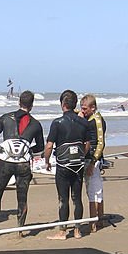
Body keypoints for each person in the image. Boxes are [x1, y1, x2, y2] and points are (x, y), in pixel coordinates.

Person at [0, 90, 44, 231]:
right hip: (23, 163)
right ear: (31, 105)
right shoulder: (36, 124)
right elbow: (40, 147)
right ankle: (20, 229)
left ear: (19, 102)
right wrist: (28, 150)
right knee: (22, 197)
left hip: (5, 161)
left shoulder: (6, 118)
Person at [44, 90, 95, 240]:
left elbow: (49, 146)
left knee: (63, 198)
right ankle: (78, 230)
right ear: (74, 105)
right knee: (77, 198)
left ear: (62, 104)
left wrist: (46, 161)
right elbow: (87, 144)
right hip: (78, 165)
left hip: (63, 166)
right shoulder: (84, 123)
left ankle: (62, 232)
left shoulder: (57, 123)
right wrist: (81, 157)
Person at [80, 94, 107, 233]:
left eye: (85, 108)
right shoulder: (87, 118)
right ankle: (99, 219)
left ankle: (94, 223)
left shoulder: (96, 120)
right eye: (81, 108)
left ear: (93, 107)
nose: (83, 111)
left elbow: (101, 143)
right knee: (96, 190)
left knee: (93, 192)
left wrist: (92, 162)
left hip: (93, 160)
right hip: (89, 158)